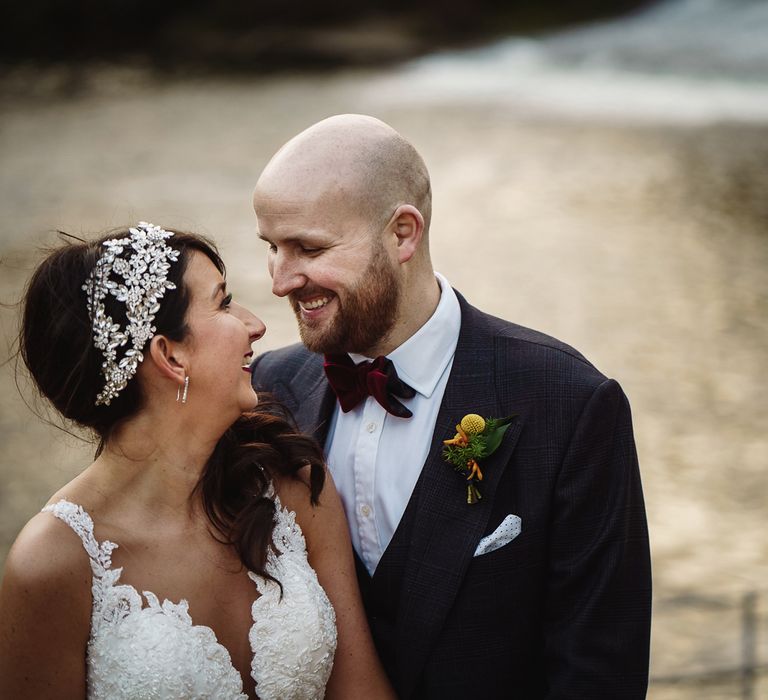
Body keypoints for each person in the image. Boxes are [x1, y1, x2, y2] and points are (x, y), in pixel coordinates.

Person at [250, 115, 652, 699]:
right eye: (272, 248)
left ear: (403, 234)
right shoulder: (269, 386)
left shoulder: (571, 404)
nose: (281, 281)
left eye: (309, 248)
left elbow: (599, 674)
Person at [0, 222, 395, 699]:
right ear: (171, 355)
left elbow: (362, 690)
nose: (256, 323)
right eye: (224, 303)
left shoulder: (294, 483)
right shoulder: (52, 563)